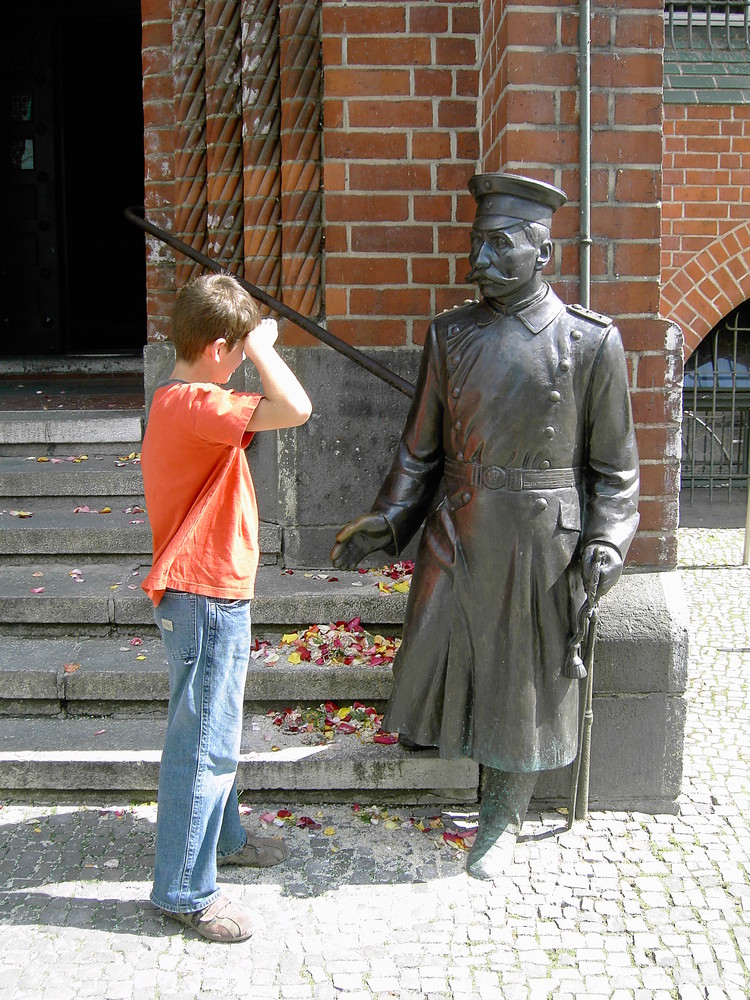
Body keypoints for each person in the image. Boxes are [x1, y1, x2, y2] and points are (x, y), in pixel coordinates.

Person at [330, 173, 640, 880]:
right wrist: (389, 519)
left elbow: (616, 472)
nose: (479, 261)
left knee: (520, 683)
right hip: (459, 523)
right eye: (476, 245)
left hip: (539, 538)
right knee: (442, 651)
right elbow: (419, 449)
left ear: (542, 253)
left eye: (499, 247)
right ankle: (455, 775)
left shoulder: (590, 344)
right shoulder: (452, 335)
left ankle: (503, 816)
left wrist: (604, 542)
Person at [141, 272, 312, 941]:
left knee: (213, 732)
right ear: (218, 347)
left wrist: (252, 341)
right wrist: (266, 346)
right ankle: (183, 890)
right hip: (205, 594)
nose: (243, 360)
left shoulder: (177, 397)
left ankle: (226, 838)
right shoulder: (197, 404)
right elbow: (295, 406)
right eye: (237, 349)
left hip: (204, 590)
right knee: (205, 745)